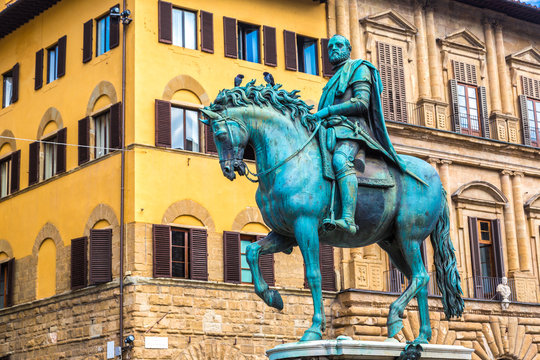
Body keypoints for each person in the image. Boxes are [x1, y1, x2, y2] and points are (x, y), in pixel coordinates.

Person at [315, 35, 406, 234]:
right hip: (330, 131)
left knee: (340, 160)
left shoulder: (359, 68)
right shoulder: (333, 79)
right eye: (330, 47)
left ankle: (348, 218)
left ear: (349, 49)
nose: (333, 50)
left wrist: (328, 111)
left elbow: (361, 103)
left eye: (339, 46)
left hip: (352, 131)